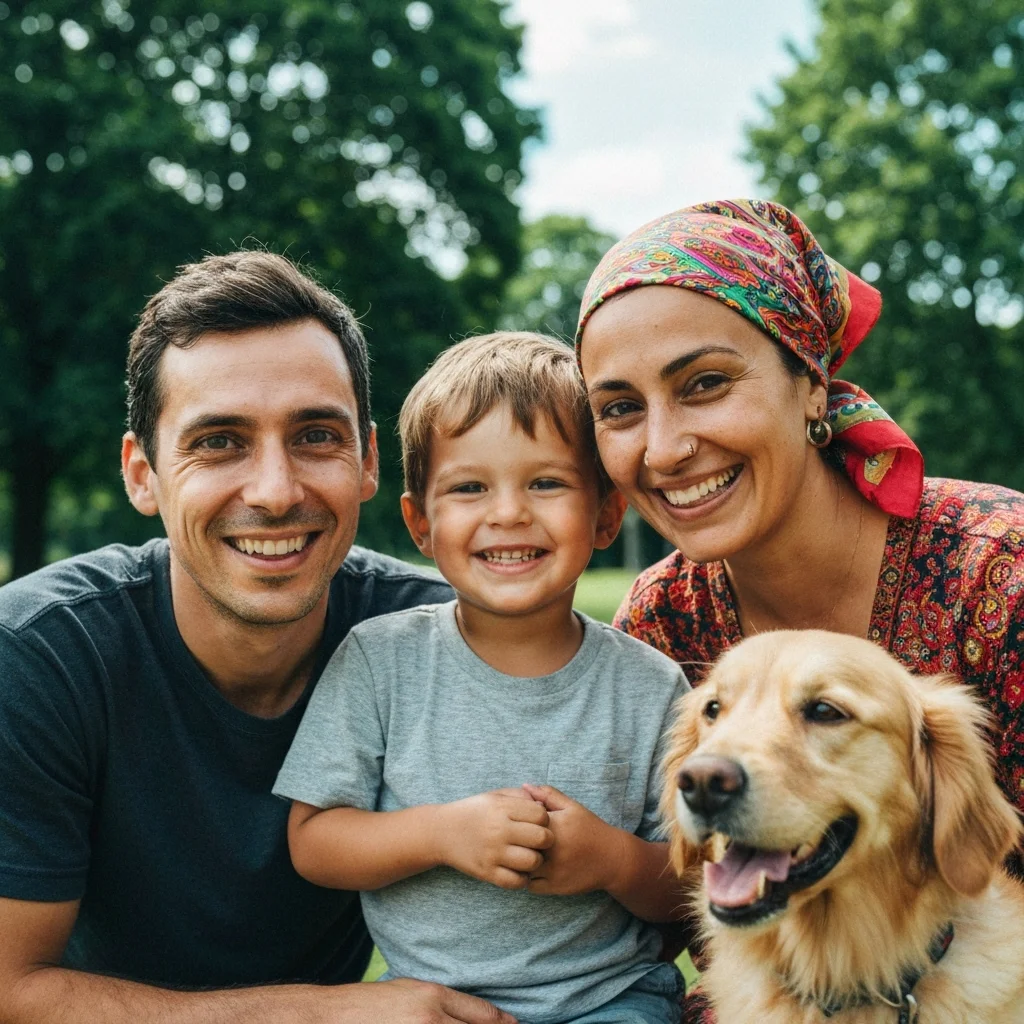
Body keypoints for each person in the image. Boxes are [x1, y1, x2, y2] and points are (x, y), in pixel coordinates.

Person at [0, 251, 530, 1024]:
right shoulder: (40, 655)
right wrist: (326, 1014)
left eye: (316, 435)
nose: (277, 492)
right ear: (142, 473)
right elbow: (12, 989)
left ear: (369, 459)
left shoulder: (445, 642)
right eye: (219, 441)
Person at [573, 198, 1024, 1018]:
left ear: (811, 383)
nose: (664, 448)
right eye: (619, 408)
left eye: (704, 384)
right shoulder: (660, 616)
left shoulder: (1005, 571)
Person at [273, 332, 691, 1023]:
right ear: (421, 524)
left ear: (607, 513)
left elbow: (691, 886)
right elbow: (314, 841)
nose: (507, 513)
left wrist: (613, 861)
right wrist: (444, 834)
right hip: (430, 1005)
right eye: (469, 488)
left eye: (546, 483)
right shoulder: (381, 661)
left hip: (609, 1001)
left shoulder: (650, 686)